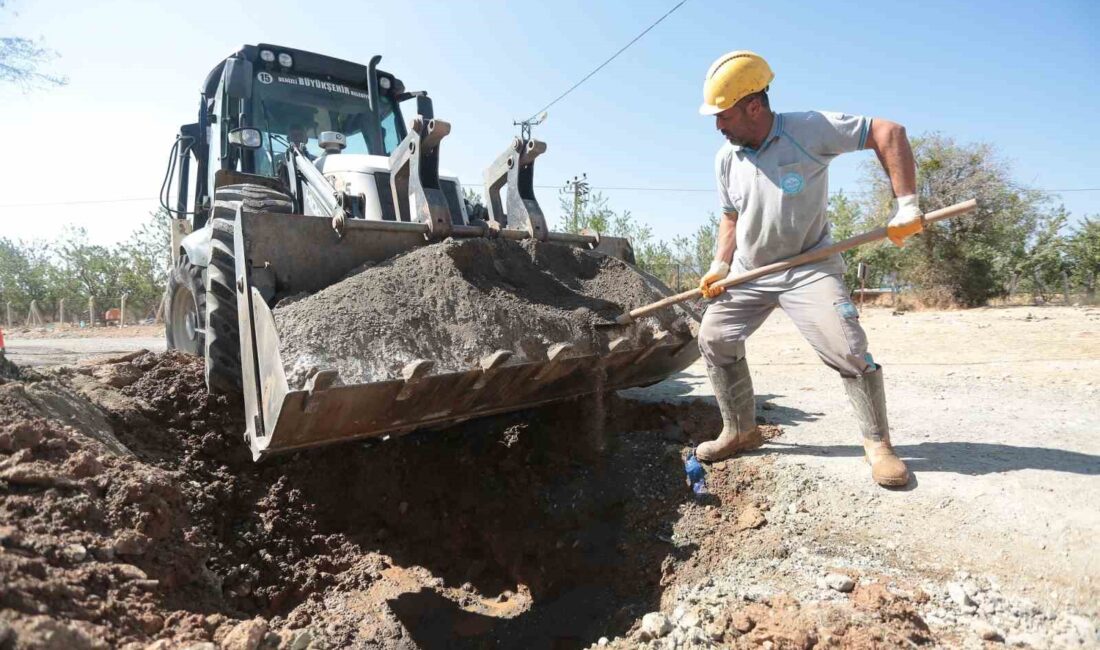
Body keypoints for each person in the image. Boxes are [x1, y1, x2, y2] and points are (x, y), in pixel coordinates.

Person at [694, 51, 924, 487]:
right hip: (749, 271)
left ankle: (878, 445)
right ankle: (740, 430)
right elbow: (730, 216)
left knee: (847, 349)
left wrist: (907, 205)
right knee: (714, 337)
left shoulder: (808, 128)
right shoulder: (727, 158)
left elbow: (887, 131)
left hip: (808, 265)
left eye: (723, 115)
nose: (718, 126)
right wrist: (720, 264)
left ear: (754, 106)